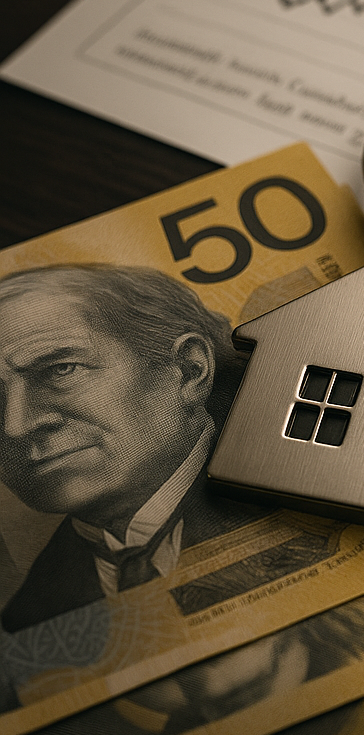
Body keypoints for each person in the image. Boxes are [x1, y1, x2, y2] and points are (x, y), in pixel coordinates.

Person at [0, 263, 258, 632]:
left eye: (60, 370)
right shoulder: (31, 616)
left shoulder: (306, 486)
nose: (16, 425)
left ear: (188, 369)